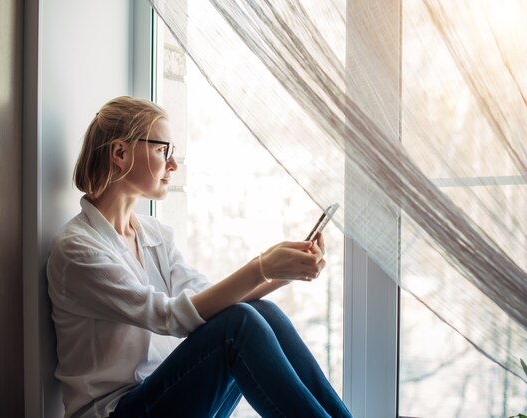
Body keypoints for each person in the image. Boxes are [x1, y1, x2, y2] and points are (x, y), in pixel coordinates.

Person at [47, 96, 352, 418]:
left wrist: (284, 272)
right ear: (120, 153)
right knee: (239, 322)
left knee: (260, 311)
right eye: (162, 150)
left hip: (164, 396)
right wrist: (262, 266)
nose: (173, 164)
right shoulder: (78, 248)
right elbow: (170, 317)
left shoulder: (154, 234)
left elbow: (211, 302)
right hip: (116, 411)